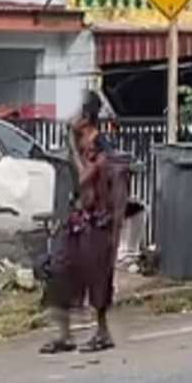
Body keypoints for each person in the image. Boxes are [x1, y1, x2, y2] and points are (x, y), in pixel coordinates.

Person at [40, 90, 124, 354]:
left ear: (85, 116)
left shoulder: (101, 146)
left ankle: (103, 332)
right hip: (77, 218)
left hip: (98, 221)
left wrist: (73, 152)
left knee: (97, 277)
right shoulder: (77, 143)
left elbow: (85, 178)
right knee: (59, 271)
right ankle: (64, 335)